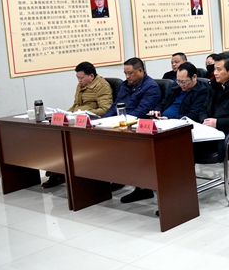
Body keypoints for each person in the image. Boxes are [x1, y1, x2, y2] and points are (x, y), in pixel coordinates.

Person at [44, 61, 114, 189]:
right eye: (77, 78)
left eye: (81, 78)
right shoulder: (80, 86)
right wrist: (65, 114)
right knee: (56, 137)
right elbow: (76, 105)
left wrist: (84, 113)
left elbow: (105, 109)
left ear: (91, 76)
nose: (79, 80)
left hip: (91, 122)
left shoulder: (102, 86)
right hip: (77, 120)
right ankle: (57, 172)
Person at [105, 58, 163, 204]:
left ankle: (142, 188)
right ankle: (113, 178)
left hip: (137, 128)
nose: (127, 76)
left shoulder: (151, 87)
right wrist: (103, 121)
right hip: (121, 125)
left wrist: (120, 122)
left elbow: (141, 112)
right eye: (125, 73)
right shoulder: (126, 85)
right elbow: (116, 106)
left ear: (140, 71)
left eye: (130, 73)